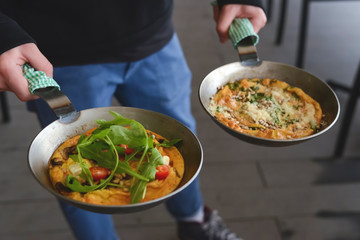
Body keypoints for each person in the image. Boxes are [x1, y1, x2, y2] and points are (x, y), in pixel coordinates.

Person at [0, 1, 266, 239]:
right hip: (54, 52)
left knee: (181, 140)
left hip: (153, 33)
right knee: (74, 185)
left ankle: (194, 220)